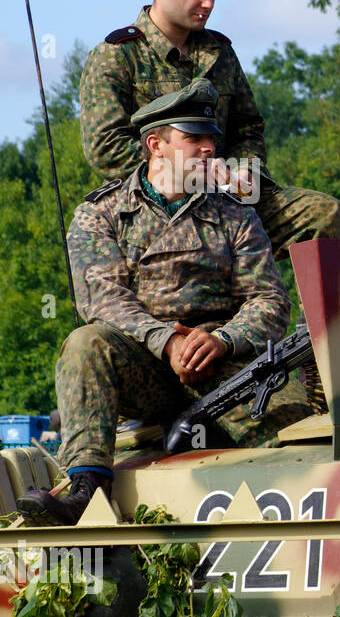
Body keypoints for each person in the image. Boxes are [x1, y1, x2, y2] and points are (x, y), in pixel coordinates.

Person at [18, 80, 313, 527]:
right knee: (84, 343)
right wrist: (166, 342)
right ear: (155, 145)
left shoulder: (234, 213)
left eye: (212, 137)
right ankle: (87, 489)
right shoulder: (101, 215)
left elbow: (269, 301)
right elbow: (103, 299)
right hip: (147, 365)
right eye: (194, 138)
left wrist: (224, 338)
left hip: (227, 366)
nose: (211, 148)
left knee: (305, 435)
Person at [79, 0, 340, 260]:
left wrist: (245, 171)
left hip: (227, 198)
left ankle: (324, 313)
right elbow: (105, 148)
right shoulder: (117, 56)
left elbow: (248, 127)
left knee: (323, 214)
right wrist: (184, 174)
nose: (208, 3)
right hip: (155, 207)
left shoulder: (219, 53)